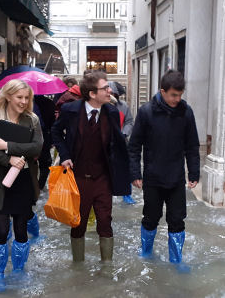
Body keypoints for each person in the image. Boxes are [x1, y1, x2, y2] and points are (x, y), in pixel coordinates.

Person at [51, 71, 130, 262]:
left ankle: (107, 270)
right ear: (92, 94)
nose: (110, 90)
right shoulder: (70, 110)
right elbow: (54, 131)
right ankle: (78, 267)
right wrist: (65, 155)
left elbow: (117, 144)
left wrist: (129, 171)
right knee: (78, 224)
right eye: (105, 88)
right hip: (77, 177)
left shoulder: (111, 112)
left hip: (103, 178)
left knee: (105, 222)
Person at [0, 79, 43, 291]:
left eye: (26, 98)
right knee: (2, 230)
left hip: (23, 181)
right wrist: (8, 159)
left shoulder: (31, 120)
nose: (23, 102)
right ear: (8, 96)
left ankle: (18, 271)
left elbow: (37, 147)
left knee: (21, 230)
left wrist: (8, 146)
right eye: (19, 97)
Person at [128, 70, 200, 271]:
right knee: (151, 218)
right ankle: (146, 253)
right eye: (173, 95)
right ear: (162, 91)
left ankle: (176, 262)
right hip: (152, 178)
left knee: (177, 220)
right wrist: (135, 173)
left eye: (180, 95)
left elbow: (192, 145)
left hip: (176, 178)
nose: (177, 99)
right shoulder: (146, 112)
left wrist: (193, 173)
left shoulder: (186, 112)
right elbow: (134, 146)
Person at [109, 81, 135, 204]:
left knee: (125, 168)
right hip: (105, 144)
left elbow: (129, 121)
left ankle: (126, 194)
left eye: (113, 93)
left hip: (122, 142)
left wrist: (123, 133)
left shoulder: (123, 106)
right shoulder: (99, 106)